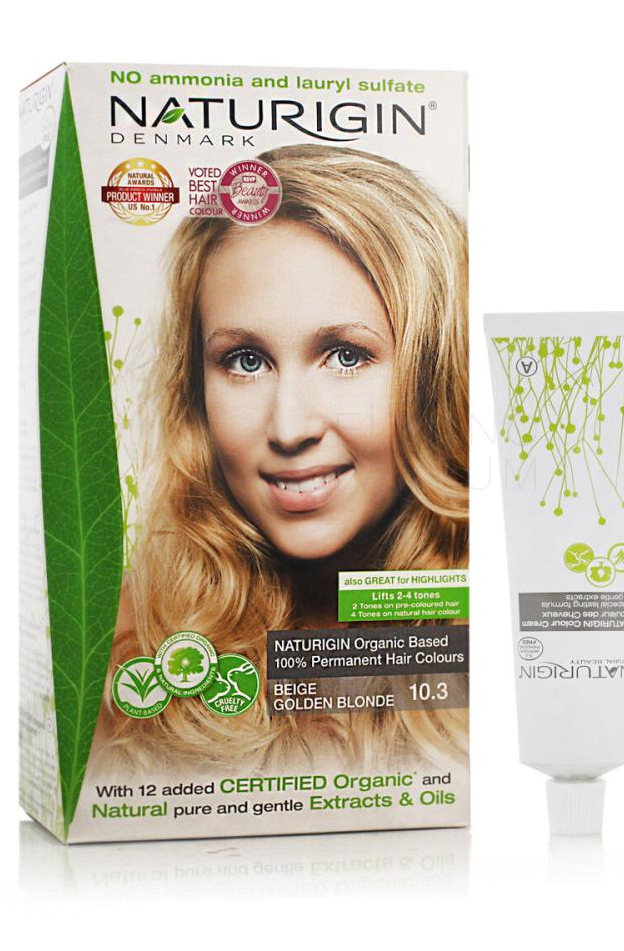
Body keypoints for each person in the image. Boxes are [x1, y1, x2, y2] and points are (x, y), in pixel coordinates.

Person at [96, 145, 468, 774]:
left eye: (346, 355)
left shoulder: (495, 631)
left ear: (434, 374)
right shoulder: (133, 642)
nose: (290, 428)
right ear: (196, 387)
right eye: (246, 361)